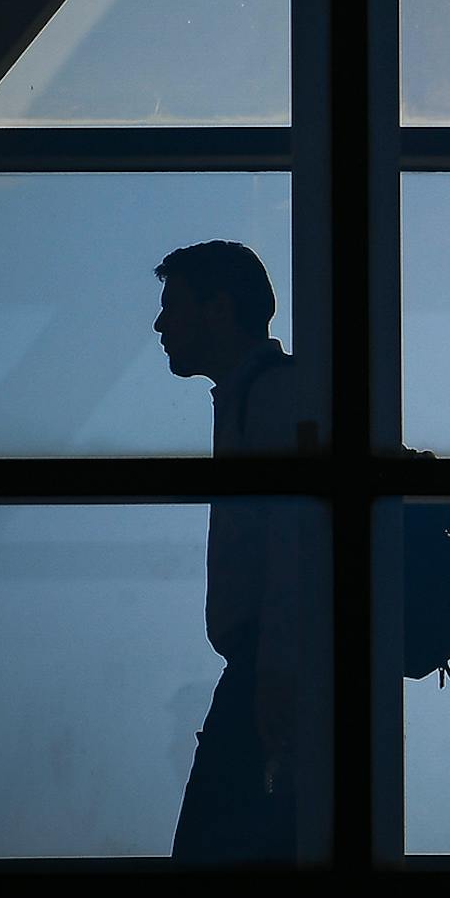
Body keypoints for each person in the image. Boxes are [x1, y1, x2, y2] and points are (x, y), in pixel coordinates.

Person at [154, 240, 306, 864]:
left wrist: (274, 670)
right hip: (273, 662)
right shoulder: (259, 396)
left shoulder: (271, 397)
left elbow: (296, 542)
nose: (161, 324)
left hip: (273, 666)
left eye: (173, 306)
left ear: (218, 309)